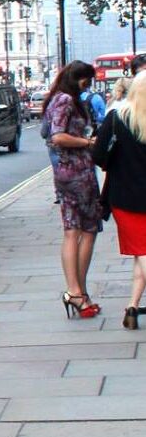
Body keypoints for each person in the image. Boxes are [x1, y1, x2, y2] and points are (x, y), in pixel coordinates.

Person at [44, 62, 103, 317]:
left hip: (68, 172)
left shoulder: (59, 98)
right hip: (77, 170)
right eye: (86, 80)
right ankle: (76, 292)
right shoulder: (66, 100)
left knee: (74, 231)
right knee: (85, 231)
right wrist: (89, 141)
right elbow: (57, 136)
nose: (88, 85)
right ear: (76, 78)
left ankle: (79, 293)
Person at [95, 71, 146, 328]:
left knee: (142, 253)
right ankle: (132, 309)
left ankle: (132, 308)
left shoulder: (116, 118)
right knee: (143, 253)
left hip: (124, 197)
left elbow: (98, 155)